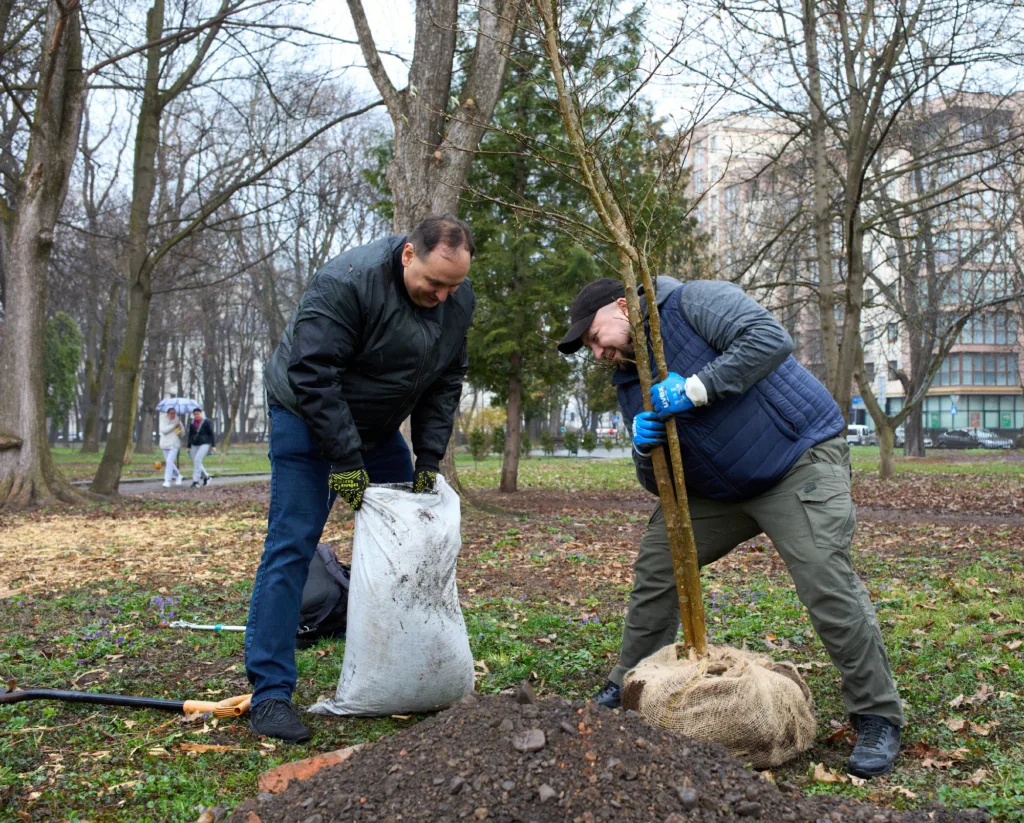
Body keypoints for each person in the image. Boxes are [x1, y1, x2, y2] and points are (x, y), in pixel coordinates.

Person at [557, 276, 903, 779]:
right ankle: (628, 685)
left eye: (593, 337)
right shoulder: (631, 377)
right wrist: (641, 444)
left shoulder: (693, 301)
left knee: (823, 578)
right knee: (660, 561)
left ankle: (876, 714)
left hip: (796, 460)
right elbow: (656, 482)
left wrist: (696, 389)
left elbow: (768, 340)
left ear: (622, 307)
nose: (595, 353)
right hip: (720, 493)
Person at [247, 214, 476, 743]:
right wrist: (346, 462)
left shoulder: (456, 301)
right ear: (407, 256)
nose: (443, 296)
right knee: (292, 545)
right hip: (306, 417)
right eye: (434, 283)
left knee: (414, 536)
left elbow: (446, 380)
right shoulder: (346, 282)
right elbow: (312, 372)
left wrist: (428, 458)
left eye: (454, 285)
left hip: (374, 427)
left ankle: (411, 663)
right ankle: (271, 693)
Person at [187, 408, 216, 488]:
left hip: (204, 443)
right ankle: (207, 477)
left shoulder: (206, 422)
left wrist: (213, 445)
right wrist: (188, 446)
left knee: (197, 460)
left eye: (198, 414)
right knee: (196, 461)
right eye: (195, 414)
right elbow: (190, 435)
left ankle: (195, 481)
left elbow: (211, 434)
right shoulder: (192, 423)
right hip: (194, 443)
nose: (197, 415)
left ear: (201, 414)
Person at [158, 409, 184, 488]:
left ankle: (167, 480)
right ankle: (178, 475)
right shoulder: (163, 420)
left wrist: (179, 428)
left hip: (174, 444)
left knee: (169, 461)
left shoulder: (178, 421)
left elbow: (182, 434)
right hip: (165, 444)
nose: (172, 415)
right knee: (169, 463)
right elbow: (164, 431)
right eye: (171, 413)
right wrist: (173, 425)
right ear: (168, 413)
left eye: (174, 413)